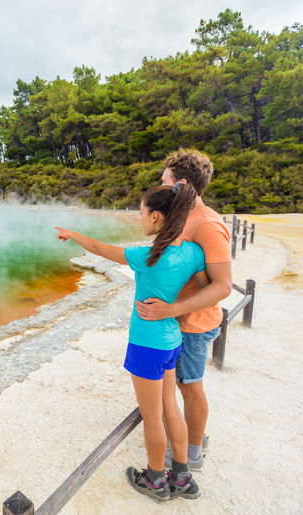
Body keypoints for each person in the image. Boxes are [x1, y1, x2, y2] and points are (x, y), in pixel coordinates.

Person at [56, 182, 207, 502]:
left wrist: (72, 234)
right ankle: (181, 477)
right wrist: (175, 308)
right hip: (171, 340)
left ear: (155, 217)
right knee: (170, 408)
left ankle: (154, 480)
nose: (138, 219)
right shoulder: (192, 253)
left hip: (146, 344)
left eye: (140, 213)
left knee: (152, 416)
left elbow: (99, 249)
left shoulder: (148, 256)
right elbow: (203, 287)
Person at [135, 149, 233, 472]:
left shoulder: (206, 224)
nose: (160, 185)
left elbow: (222, 286)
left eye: (165, 181)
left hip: (194, 322)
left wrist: (172, 309)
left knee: (190, 387)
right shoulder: (181, 217)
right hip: (177, 322)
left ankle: (192, 453)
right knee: (177, 386)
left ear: (182, 183)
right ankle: (193, 438)